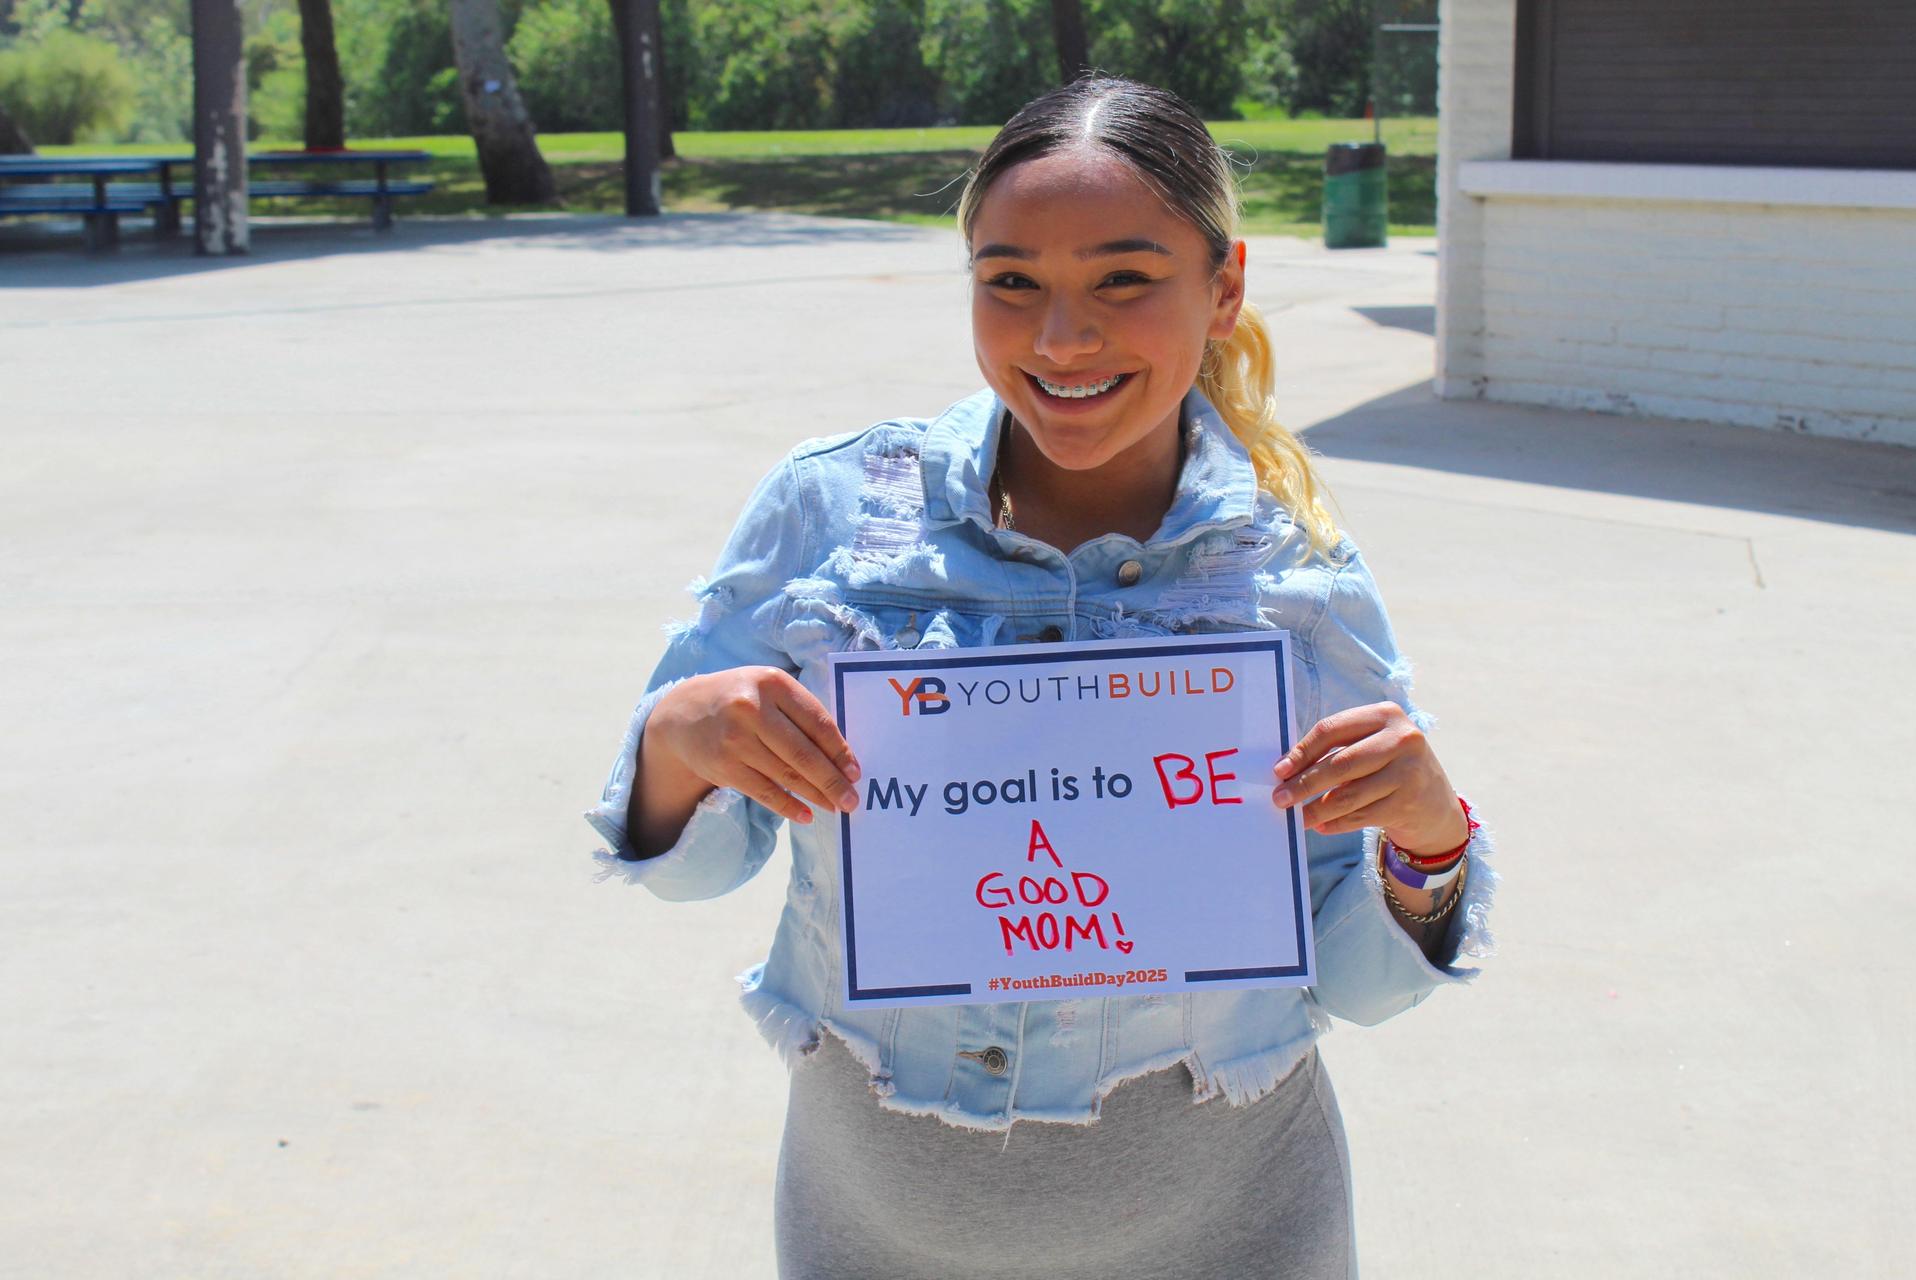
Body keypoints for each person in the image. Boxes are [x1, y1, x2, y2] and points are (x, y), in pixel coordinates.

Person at [586, 76, 1498, 1279]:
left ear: (1224, 289)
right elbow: (695, 868)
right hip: (872, 1230)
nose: (1063, 339)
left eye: (1125, 278)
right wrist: (677, 744)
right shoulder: (835, 507)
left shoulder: (1295, 565)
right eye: (1011, 282)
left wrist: (1426, 844)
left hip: (1237, 1234)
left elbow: (1352, 977)